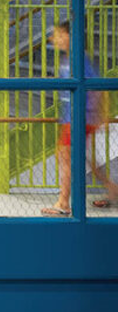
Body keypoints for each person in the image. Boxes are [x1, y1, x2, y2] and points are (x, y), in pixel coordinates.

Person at [41, 21, 118, 217]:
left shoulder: (79, 59)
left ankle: (63, 203)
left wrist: (93, 115)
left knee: (65, 157)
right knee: (82, 158)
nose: (55, 39)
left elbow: (93, 88)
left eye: (59, 35)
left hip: (78, 118)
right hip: (73, 117)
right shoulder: (69, 60)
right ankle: (113, 190)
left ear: (71, 37)